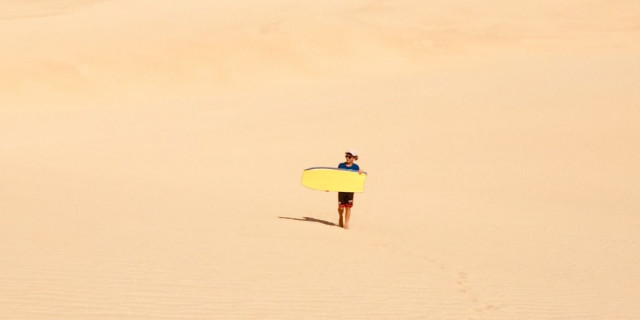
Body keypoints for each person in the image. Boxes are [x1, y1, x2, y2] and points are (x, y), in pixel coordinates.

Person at [337, 149, 363, 229]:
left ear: (354, 158)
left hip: (350, 190)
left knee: (348, 207)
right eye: (346, 156)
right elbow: (335, 177)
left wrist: (360, 173)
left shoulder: (356, 167)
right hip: (341, 189)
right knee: (341, 207)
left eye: (349, 156)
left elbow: (358, 179)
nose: (347, 158)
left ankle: (346, 223)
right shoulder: (341, 165)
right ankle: (341, 216)